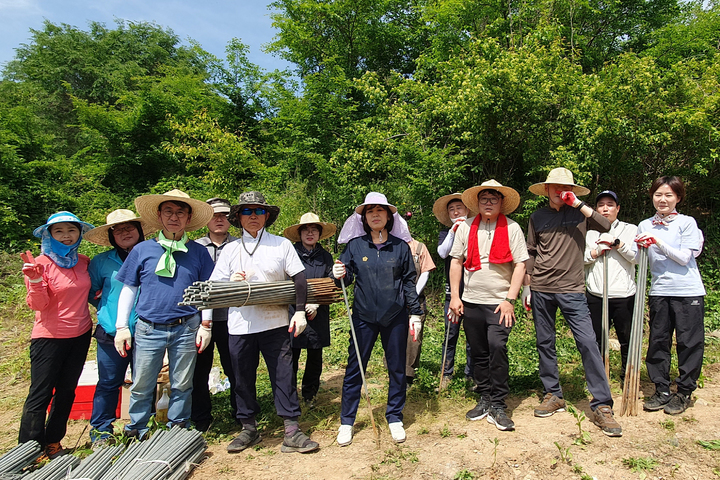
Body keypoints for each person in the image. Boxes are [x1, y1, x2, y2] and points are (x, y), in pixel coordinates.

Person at [209, 192, 319, 454]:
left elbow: (299, 278)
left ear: (267, 216)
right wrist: (230, 283)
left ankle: (292, 430)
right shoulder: (230, 250)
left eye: (259, 211)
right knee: (241, 378)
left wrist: (300, 311)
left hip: (275, 322)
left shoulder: (281, 245)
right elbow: (214, 285)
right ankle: (248, 427)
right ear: (238, 217)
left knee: (283, 375)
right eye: (247, 212)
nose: (253, 216)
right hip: (239, 326)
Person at [525, 167, 622, 437]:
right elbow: (531, 251)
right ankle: (553, 394)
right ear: (546, 190)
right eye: (553, 187)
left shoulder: (580, 213)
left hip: (572, 289)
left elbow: (607, 226)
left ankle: (602, 404)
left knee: (587, 342)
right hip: (542, 288)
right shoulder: (537, 216)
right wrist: (527, 286)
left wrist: (578, 204)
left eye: (564, 187)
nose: (558, 191)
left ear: (572, 190)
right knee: (545, 341)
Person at [114, 189, 215, 439]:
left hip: (186, 326)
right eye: (168, 211)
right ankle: (136, 428)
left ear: (188, 218)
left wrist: (206, 324)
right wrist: (121, 327)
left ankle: (177, 427)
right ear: (159, 216)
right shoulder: (142, 250)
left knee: (182, 383)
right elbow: (129, 287)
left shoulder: (199, 252)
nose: (174, 217)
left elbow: (207, 291)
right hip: (149, 328)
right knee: (141, 384)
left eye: (180, 212)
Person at [332, 192, 423, 446]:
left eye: (380, 210)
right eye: (370, 210)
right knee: (354, 370)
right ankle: (347, 422)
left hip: (395, 317)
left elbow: (408, 282)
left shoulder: (400, 247)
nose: (375, 214)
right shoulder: (355, 246)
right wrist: (338, 272)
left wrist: (415, 312)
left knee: (397, 368)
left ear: (388, 216)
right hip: (363, 318)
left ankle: (394, 416)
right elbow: (346, 277)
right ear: (363, 217)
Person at [449, 180, 528, 431]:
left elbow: (521, 265)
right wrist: (454, 296)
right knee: (478, 351)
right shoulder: (466, 227)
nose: (489, 202)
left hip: (499, 302)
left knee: (497, 347)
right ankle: (484, 397)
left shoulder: (513, 228)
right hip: (471, 300)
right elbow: (455, 261)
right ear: (477, 203)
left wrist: (510, 299)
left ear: (501, 202)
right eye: (484, 198)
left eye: (494, 198)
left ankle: (499, 402)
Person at [19, 211, 94, 458]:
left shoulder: (83, 261)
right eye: (58, 231)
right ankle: (28, 448)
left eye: (71, 230)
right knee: (40, 393)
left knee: (67, 390)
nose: (66, 236)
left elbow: (91, 291)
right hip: (49, 338)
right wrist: (37, 280)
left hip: (80, 334)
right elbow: (37, 305)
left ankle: (53, 442)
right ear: (49, 235)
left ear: (79, 233)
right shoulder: (39, 263)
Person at [636, 176, 705, 415]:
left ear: (678, 198)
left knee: (688, 342)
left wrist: (657, 241)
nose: (662, 199)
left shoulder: (687, 223)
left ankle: (684, 391)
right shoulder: (645, 225)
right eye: (658, 194)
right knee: (658, 341)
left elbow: (685, 257)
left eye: (668, 195)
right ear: (652, 196)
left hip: (687, 291)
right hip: (659, 290)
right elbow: (639, 259)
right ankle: (662, 389)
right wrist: (627, 246)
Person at [85, 209, 153, 445]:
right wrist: (108, 311)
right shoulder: (101, 262)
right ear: (111, 235)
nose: (125, 233)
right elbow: (92, 293)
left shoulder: (153, 255)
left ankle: (144, 425)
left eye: (130, 227)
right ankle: (102, 429)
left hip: (147, 330)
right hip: (111, 332)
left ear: (140, 230)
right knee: (108, 382)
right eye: (118, 229)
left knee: (144, 380)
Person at [191, 198, 238, 432]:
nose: (219, 220)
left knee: (236, 367)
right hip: (200, 320)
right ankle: (201, 418)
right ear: (205, 220)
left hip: (233, 318)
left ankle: (241, 413)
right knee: (199, 369)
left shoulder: (240, 245)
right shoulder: (194, 247)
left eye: (224, 215)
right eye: (214, 215)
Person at [283, 212, 337, 407]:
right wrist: (299, 305)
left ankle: (309, 394)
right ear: (300, 233)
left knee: (315, 356)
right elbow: (284, 283)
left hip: (318, 313)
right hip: (292, 312)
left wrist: (317, 303)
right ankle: (289, 396)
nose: (310, 233)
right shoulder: (290, 254)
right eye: (306, 229)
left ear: (319, 234)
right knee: (291, 356)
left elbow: (332, 283)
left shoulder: (325, 257)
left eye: (314, 230)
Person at [583, 191, 637, 383]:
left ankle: (628, 375)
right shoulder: (588, 232)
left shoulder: (631, 229)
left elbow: (637, 258)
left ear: (618, 208)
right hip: (596, 294)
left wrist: (617, 244)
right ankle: (598, 378)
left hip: (624, 295)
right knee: (595, 339)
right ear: (595, 210)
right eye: (601, 205)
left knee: (627, 338)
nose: (605, 209)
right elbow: (580, 260)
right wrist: (596, 251)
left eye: (610, 204)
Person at [433, 193, 472, 389]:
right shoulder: (445, 234)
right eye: (452, 209)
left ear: (467, 210)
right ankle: (446, 375)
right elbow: (442, 253)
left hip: (474, 293)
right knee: (450, 334)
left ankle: (471, 375)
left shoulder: (476, 229)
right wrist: (453, 231)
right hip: (452, 294)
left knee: (473, 336)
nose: (456, 212)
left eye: (459, 208)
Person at [404, 236, 435, 386]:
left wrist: (413, 294)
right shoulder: (388, 243)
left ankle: (408, 374)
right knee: (393, 336)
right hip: (394, 301)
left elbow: (425, 271)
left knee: (413, 338)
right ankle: (393, 370)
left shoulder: (419, 247)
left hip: (416, 300)